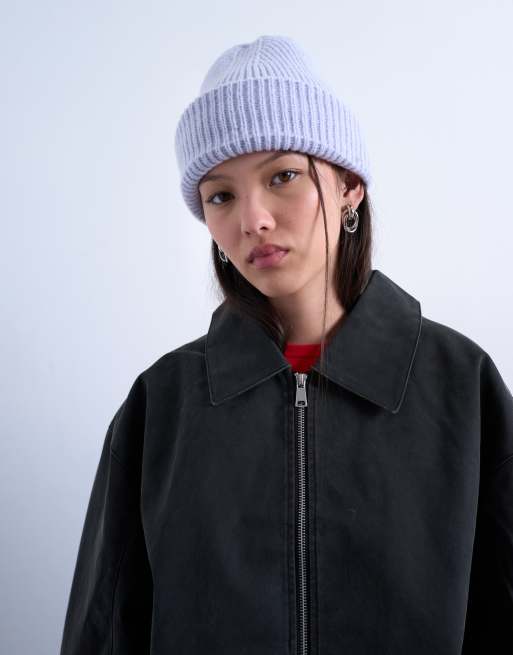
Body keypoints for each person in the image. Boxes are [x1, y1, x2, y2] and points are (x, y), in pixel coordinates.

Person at [60, 34, 513, 654]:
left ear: (349, 186)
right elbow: (105, 632)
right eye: (221, 195)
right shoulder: (162, 404)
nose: (253, 219)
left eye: (283, 176)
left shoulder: (461, 386)